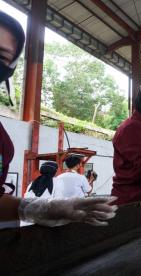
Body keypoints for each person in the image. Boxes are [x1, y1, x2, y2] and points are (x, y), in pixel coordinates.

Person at [0, 11, 116, 227]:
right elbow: (87, 191)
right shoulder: (78, 179)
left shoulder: (3, 140)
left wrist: (36, 209)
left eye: (2, 57)